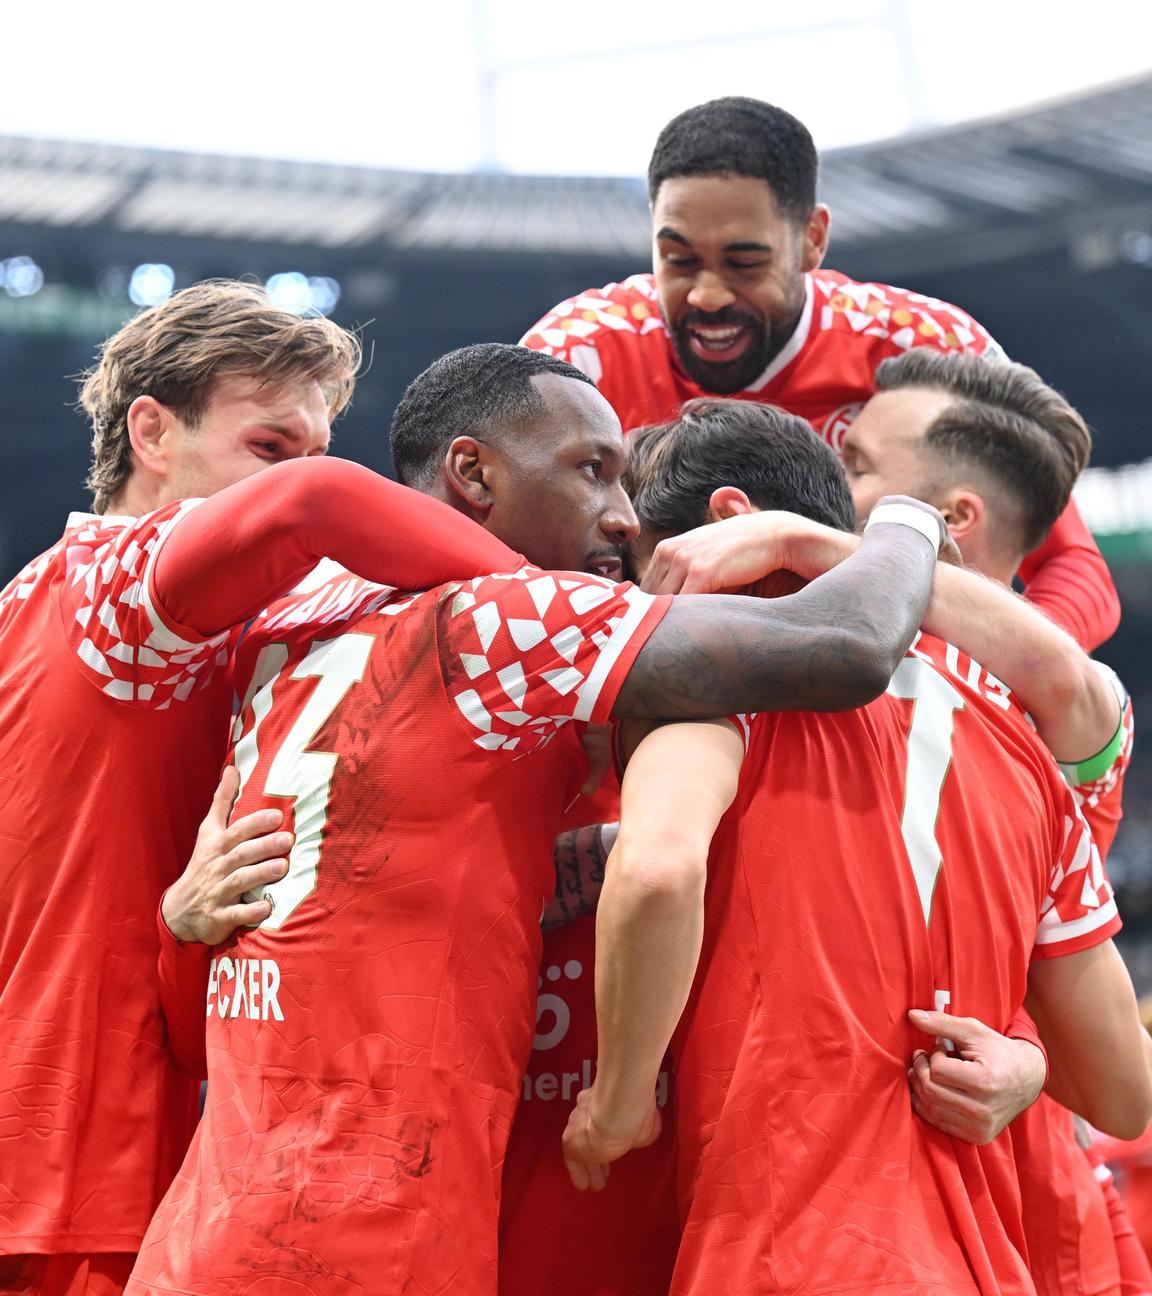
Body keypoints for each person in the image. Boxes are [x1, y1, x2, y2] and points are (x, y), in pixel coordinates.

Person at [125, 344, 949, 1296]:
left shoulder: (287, 621)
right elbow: (849, 644)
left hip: (205, 1232)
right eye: (591, 469)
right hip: (366, 1234)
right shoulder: (510, 618)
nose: (624, 515)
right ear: (473, 473)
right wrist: (905, 522)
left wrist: (178, 921)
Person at [0, 283, 526, 1296]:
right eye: (269, 446)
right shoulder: (116, 588)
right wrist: (576, 609)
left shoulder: (37, 600)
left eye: (315, 445)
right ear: (152, 432)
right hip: (87, 1162)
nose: (298, 471)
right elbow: (317, 506)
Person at [564, 398, 1151, 1294]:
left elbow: (655, 871)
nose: (635, 606)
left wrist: (617, 1105)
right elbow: (1124, 1093)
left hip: (788, 1251)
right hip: (984, 1264)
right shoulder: (1025, 738)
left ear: (728, 526)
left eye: (642, 567)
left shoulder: (711, 675)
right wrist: (1028, 1063)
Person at [521, 95, 1119, 651]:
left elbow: (1072, 567)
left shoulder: (926, 348)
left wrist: (1006, 685)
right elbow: (486, 556)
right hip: (652, 690)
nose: (706, 294)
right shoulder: (573, 362)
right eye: (677, 260)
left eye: (744, 263)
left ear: (812, 240)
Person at [837, 348, 1146, 1296]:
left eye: (857, 465)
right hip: (838, 1175)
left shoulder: (1063, 707)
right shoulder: (819, 659)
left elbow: (1118, 1084)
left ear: (953, 519)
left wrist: (805, 542)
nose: (827, 484)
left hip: (1012, 1189)